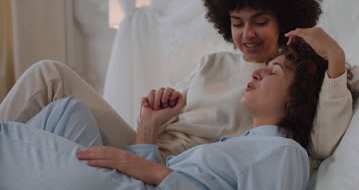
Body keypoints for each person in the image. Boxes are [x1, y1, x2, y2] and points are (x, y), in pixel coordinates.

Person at [0, 0, 357, 169]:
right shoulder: (212, 63)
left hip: (177, 171)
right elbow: (156, 124)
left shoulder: (291, 78)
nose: (247, 33)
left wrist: (335, 59)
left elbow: (323, 144)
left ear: (284, 19)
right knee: (50, 76)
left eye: (259, 21)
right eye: (237, 23)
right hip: (143, 146)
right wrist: (151, 118)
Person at [0, 43, 327, 189]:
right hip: (139, 175)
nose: (257, 74)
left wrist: (156, 173)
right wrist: (150, 125)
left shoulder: (283, 153)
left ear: (295, 101)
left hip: (143, 181)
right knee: (66, 112)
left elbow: (156, 177)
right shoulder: (245, 142)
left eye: (274, 72)